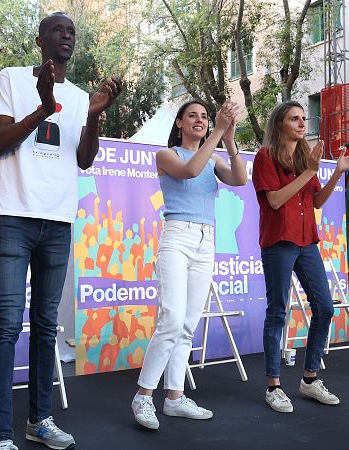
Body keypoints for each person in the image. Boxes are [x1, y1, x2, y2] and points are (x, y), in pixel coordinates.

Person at [0, 11, 122, 450]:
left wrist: (95, 115)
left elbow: (84, 159)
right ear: (40, 40)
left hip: (58, 221)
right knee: (7, 325)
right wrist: (43, 108)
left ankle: (39, 420)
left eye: (72, 31)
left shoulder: (79, 96)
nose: (67, 35)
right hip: (14, 216)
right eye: (58, 30)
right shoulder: (12, 78)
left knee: (46, 327)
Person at [130, 100, 247, 429]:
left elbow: (240, 179)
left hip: (206, 240)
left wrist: (230, 140)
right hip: (177, 238)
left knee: (187, 324)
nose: (200, 120)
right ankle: (143, 396)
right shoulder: (167, 155)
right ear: (179, 123)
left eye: (205, 117)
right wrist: (219, 131)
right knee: (171, 319)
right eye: (192, 115)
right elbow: (190, 171)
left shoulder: (214, 157)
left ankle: (175, 398)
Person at [252, 101, 349, 413]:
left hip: (307, 242)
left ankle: (310, 379)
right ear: (280, 123)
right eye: (294, 118)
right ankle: (274, 386)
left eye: (303, 118)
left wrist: (337, 172)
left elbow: (316, 201)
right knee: (277, 312)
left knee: (325, 308)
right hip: (278, 242)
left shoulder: (304, 158)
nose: (302, 123)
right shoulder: (265, 156)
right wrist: (311, 171)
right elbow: (275, 200)